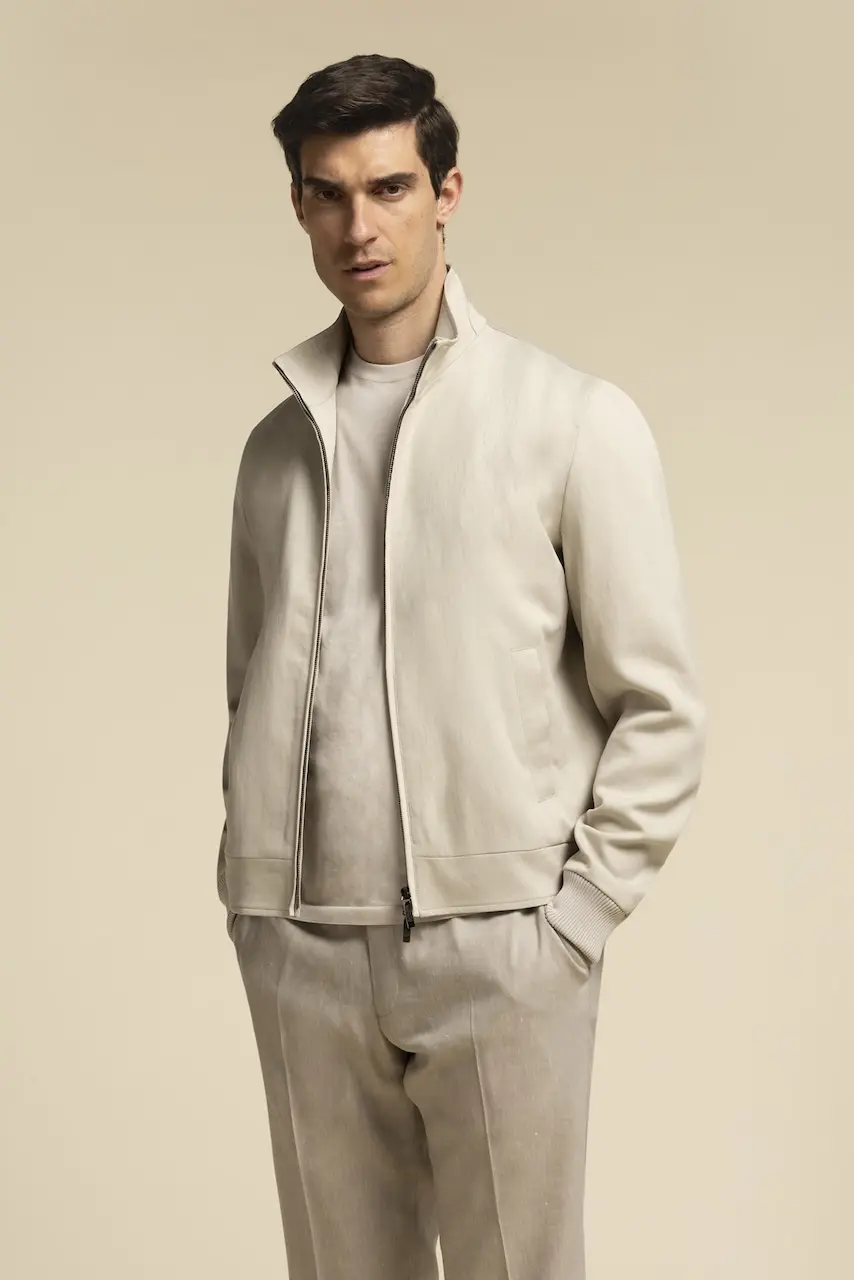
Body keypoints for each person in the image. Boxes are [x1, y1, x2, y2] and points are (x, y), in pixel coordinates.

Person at [216, 51, 707, 1280]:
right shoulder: (275, 449)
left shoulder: (570, 419)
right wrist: (258, 905)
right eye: (328, 194)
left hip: (500, 949)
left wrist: (570, 923)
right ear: (297, 206)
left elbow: (658, 706)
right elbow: (250, 683)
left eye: (388, 188)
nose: (358, 225)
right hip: (302, 948)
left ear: (445, 193)